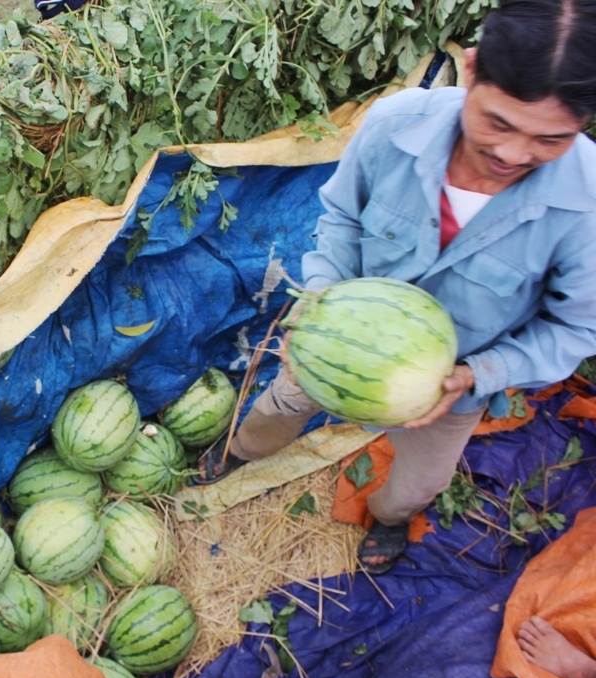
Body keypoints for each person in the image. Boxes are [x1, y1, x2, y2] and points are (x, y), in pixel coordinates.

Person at [193, 0, 596, 575]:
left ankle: (387, 517)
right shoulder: (395, 124)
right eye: (498, 122)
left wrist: (479, 375)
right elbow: (341, 220)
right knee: (279, 404)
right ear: (474, 70)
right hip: (335, 341)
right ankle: (238, 451)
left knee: (419, 484)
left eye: (549, 140)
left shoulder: (587, 203)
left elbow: (574, 328)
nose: (512, 154)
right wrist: (322, 300)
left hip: (452, 386)